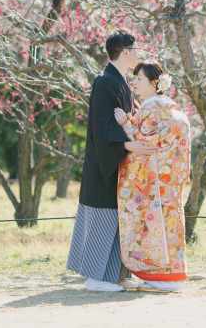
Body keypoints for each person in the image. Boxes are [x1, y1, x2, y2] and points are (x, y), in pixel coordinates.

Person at [66, 30, 156, 292]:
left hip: (120, 162)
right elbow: (101, 126)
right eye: (136, 48)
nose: (139, 52)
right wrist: (129, 145)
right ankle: (96, 278)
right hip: (104, 165)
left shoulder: (121, 82)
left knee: (121, 219)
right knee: (104, 217)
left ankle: (116, 276)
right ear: (125, 52)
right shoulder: (104, 81)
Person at [114, 60, 191, 292]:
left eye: (139, 78)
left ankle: (159, 277)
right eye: (134, 77)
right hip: (168, 180)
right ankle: (172, 275)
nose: (134, 82)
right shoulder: (166, 106)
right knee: (169, 225)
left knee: (152, 226)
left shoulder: (151, 107)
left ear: (155, 83)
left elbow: (144, 142)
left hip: (156, 180)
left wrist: (123, 123)